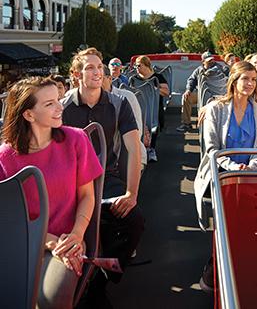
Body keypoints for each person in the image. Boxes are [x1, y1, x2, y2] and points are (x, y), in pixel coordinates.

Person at [0, 77, 103, 309]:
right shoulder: (5, 157)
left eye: (58, 100)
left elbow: (87, 196)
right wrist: (47, 240)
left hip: (69, 240)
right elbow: (8, 217)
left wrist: (76, 236)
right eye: (49, 104)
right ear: (28, 115)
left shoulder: (76, 139)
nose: (60, 107)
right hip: (22, 244)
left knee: (53, 297)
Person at [61, 48, 144, 302]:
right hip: (71, 181)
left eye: (100, 67)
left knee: (135, 222)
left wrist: (131, 193)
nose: (98, 72)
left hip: (106, 179)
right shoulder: (63, 106)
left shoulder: (119, 104)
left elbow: (133, 147)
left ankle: (104, 273)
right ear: (76, 75)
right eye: (90, 68)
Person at [194, 61, 257, 293]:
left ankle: (235, 273)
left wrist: (251, 167)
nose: (249, 83)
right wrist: (234, 167)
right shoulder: (216, 109)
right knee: (227, 227)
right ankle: (213, 269)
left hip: (250, 176)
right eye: (245, 78)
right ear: (234, 81)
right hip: (222, 175)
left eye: (253, 79)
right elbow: (212, 149)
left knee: (248, 227)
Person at [102, 64, 147, 167]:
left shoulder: (126, 97)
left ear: (109, 79)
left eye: (100, 78)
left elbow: (137, 132)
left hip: (127, 155)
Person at [131, 55, 170, 161]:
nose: (137, 68)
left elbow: (166, 92)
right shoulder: (134, 79)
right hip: (139, 106)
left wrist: (154, 89)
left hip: (155, 107)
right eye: (135, 66)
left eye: (139, 66)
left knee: (153, 126)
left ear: (147, 65)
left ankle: (151, 149)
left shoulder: (157, 77)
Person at [176, 51, 224, 133]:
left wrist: (207, 73)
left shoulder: (220, 68)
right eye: (209, 61)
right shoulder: (198, 70)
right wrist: (188, 90)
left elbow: (220, 71)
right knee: (186, 97)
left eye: (212, 60)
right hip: (200, 94)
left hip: (215, 95)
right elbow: (191, 80)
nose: (212, 62)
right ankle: (186, 124)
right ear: (203, 61)